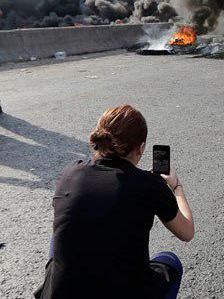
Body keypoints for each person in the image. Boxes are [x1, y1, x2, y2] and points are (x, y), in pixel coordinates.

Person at [34, 104, 194, 299]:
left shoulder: (69, 174)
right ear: (140, 148)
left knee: (64, 232)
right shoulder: (148, 185)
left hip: (60, 293)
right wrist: (176, 187)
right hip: (124, 291)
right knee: (170, 261)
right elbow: (187, 232)